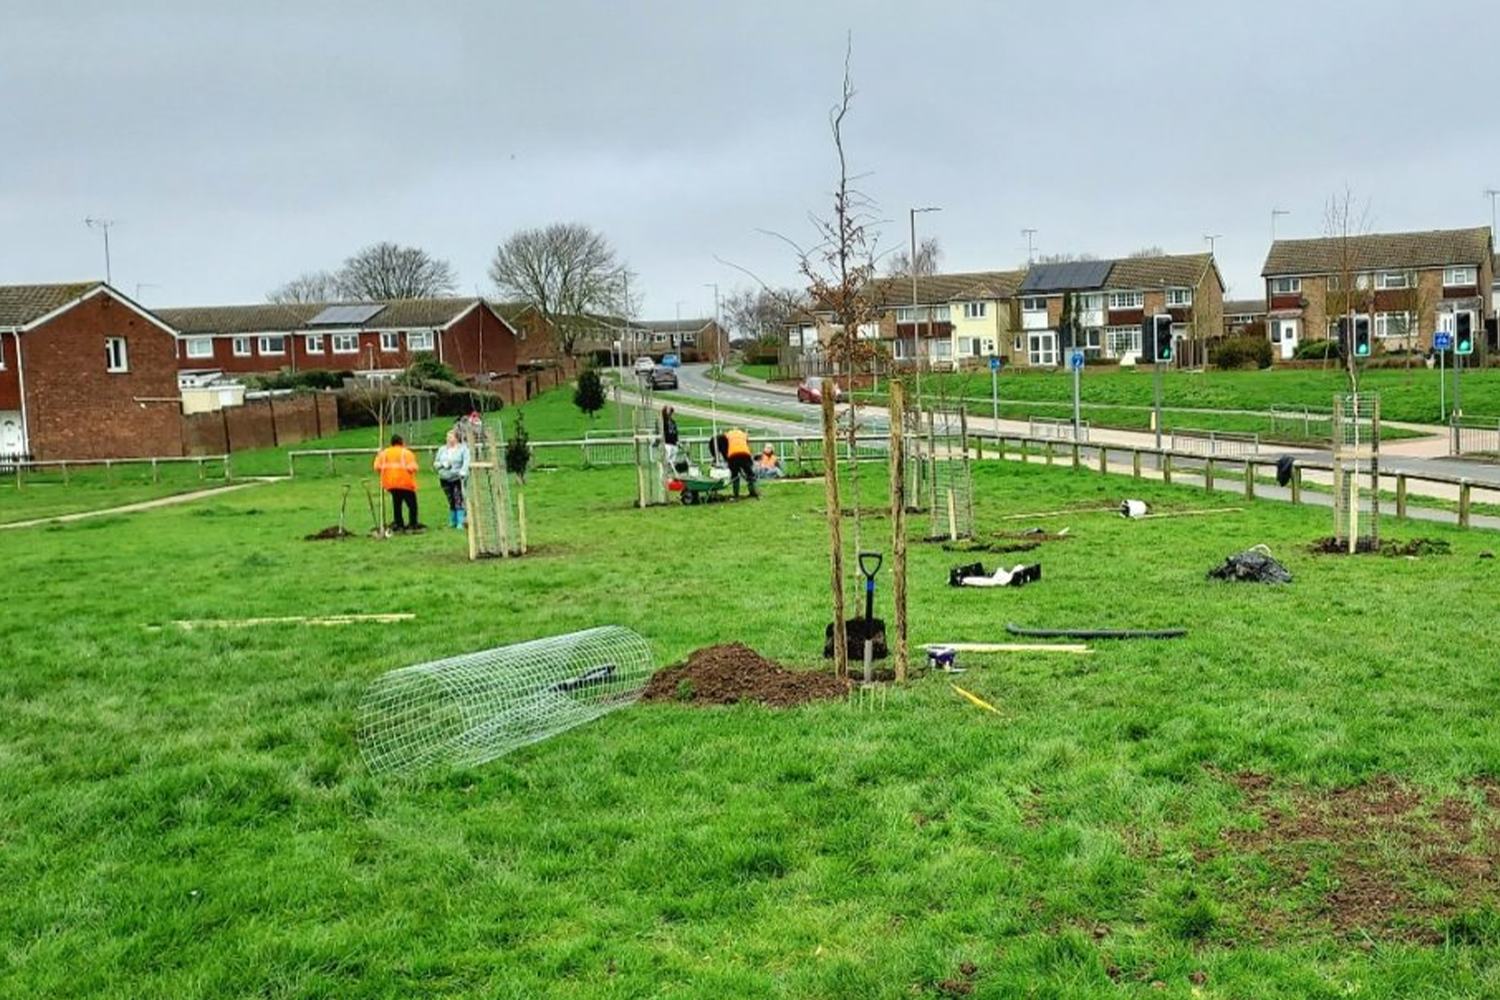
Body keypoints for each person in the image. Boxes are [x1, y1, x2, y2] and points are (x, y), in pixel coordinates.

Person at [373, 434, 421, 532]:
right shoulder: (406, 453)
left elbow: (376, 466)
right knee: (412, 505)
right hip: (405, 483)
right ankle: (412, 524)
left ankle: (399, 524)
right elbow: (413, 467)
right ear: (402, 442)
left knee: (397, 504)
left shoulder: (384, 453)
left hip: (390, 483)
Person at [433, 429, 471, 530]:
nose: (448, 439)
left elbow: (466, 462)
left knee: (458, 498)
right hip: (444, 478)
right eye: (447, 436)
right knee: (450, 500)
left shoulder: (463, 449)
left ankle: (460, 521)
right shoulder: (442, 449)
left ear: (456, 438)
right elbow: (435, 463)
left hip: (457, 477)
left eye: (450, 436)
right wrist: (442, 464)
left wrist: (463, 472)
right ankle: (453, 521)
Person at [723, 426, 757, 498]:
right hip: (744, 454)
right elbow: (747, 437)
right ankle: (753, 491)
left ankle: (736, 494)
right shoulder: (743, 434)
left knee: (735, 475)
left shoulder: (728, 434)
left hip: (733, 456)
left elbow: (724, 440)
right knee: (750, 473)